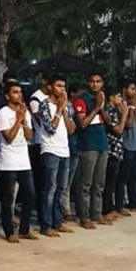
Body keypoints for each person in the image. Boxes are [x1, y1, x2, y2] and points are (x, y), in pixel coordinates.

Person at [0, 82, 36, 242]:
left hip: (24, 161)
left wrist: (24, 120)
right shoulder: (3, 113)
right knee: (8, 199)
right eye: (15, 92)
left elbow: (29, 137)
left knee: (30, 195)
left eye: (20, 92)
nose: (19, 95)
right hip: (8, 161)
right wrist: (18, 119)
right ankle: (9, 231)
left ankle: (24, 229)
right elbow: (9, 138)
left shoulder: (25, 112)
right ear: (7, 96)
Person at [38, 74, 76, 237]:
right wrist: (59, 109)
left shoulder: (67, 105)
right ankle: (46, 225)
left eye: (64, 87)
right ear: (50, 87)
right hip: (50, 149)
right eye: (59, 86)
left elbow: (71, 129)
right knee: (50, 188)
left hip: (64, 150)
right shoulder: (44, 104)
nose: (62, 89)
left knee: (61, 188)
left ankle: (58, 222)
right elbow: (50, 128)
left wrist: (64, 109)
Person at [74, 72, 109, 229]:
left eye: (98, 81)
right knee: (85, 183)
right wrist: (96, 108)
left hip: (102, 144)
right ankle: (84, 216)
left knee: (99, 183)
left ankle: (97, 213)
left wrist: (101, 107)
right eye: (92, 81)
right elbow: (82, 123)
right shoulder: (82, 99)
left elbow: (108, 121)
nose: (95, 84)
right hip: (88, 144)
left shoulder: (101, 98)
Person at [115, 80, 136, 213]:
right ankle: (119, 205)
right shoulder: (121, 104)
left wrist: (135, 107)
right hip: (126, 145)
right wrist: (131, 108)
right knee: (123, 177)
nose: (135, 92)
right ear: (124, 90)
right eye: (132, 89)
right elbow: (129, 124)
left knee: (135, 175)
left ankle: (133, 202)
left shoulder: (134, 104)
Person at [102, 87, 129, 219]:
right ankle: (106, 209)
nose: (121, 99)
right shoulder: (108, 110)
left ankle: (113, 207)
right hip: (111, 150)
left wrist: (125, 113)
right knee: (108, 181)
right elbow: (118, 129)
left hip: (117, 149)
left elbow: (128, 125)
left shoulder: (116, 110)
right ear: (111, 97)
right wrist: (123, 115)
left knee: (114, 181)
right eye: (119, 96)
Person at [29, 72, 50, 226]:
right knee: (41, 182)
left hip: (53, 143)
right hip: (39, 142)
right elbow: (42, 121)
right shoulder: (36, 98)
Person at [62, 83, 81, 220]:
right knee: (66, 181)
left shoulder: (73, 106)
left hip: (75, 145)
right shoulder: (68, 106)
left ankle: (66, 208)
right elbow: (71, 128)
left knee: (71, 180)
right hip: (68, 144)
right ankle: (65, 209)